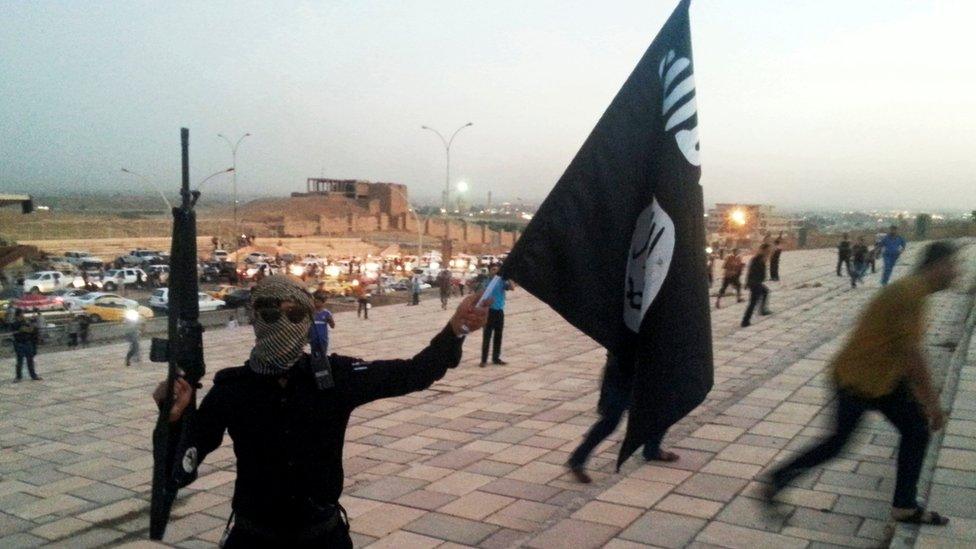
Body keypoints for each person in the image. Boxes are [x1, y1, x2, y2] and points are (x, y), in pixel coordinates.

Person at [152, 276, 490, 548]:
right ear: (255, 317)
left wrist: (455, 330)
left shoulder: (333, 378)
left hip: (322, 538)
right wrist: (173, 419)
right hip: (254, 538)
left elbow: (414, 373)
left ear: (307, 319)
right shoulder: (233, 389)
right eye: (271, 313)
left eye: (295, 313)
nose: (283, 321)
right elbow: (182, 467)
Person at [765, 241, 959, 527]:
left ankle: (905, 506)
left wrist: (919, 397)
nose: (957, 273)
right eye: (954, 266)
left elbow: (905, 350)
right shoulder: (910, 293)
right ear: (938, 265)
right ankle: (776, 479)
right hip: (857, 380)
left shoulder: (913, 291)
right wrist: (933, 404)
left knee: (916, 431)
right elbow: (912, 355)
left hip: (881, 380)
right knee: (837, 444)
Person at [567, 353, 679, 483]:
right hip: (621, 375)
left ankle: (652, 449)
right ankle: (577, 459)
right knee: (610, 421)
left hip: (647, 372)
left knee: (661, 410)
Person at [480, 265, 514, 367]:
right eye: (493, 270)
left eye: (497, 270)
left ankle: (496, 358)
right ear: (490, 271)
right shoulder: (486, 282)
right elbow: (481, 293)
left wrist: (508, 278)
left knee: (498, 335)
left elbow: (512, 288)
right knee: (487, 336)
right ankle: (484, 360)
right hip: (488, 311)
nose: (495, 271)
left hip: (499, 311)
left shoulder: (502, 281)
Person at [741, 244, 771, 327]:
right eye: (768, 250)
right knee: (753, 303)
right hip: (755, 284)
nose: (769, 252)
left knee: (765, 291)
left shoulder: (758, 258)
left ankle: (762, 310)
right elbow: (751, 271)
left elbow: (750, 271)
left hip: (756, 283)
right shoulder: (759, 259)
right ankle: (745, 321)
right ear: (763, 250)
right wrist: (748, 283)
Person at [11, 310, 41, 381]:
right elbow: (26, 330)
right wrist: (30, 325)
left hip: (27, 342)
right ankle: (18, 377)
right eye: (21, 315)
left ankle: (33, 375)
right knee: (19, 361)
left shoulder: (25, 322)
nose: (23, 316)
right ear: (17, 316)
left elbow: (32, 329)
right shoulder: (15, 324)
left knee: (30, 360)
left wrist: (32, 322)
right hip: (19, 343)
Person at [310, 290, 336, 355]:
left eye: (318, 302)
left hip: (323, 339)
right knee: (314, 355)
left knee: (323, 354)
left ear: (323, 303)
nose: (316, 303)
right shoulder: (311, 313)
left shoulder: (327, 313)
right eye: (314, 302)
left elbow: (332, 326)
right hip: (313, 339)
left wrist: (330, 320)